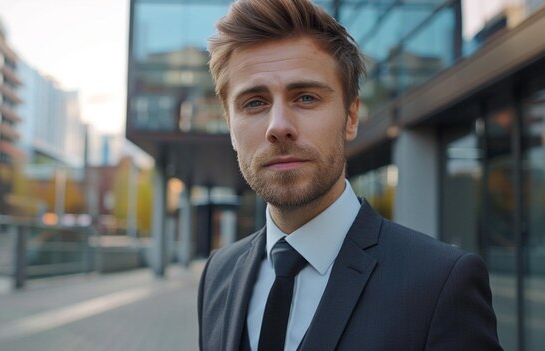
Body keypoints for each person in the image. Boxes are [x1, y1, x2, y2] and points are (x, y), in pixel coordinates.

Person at [197, 0, 501, 350]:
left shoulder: (441, 283)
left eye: (306, 97)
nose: (278, 127)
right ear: (231, 128)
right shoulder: (218, 274)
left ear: (351, 117)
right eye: (254, 103)